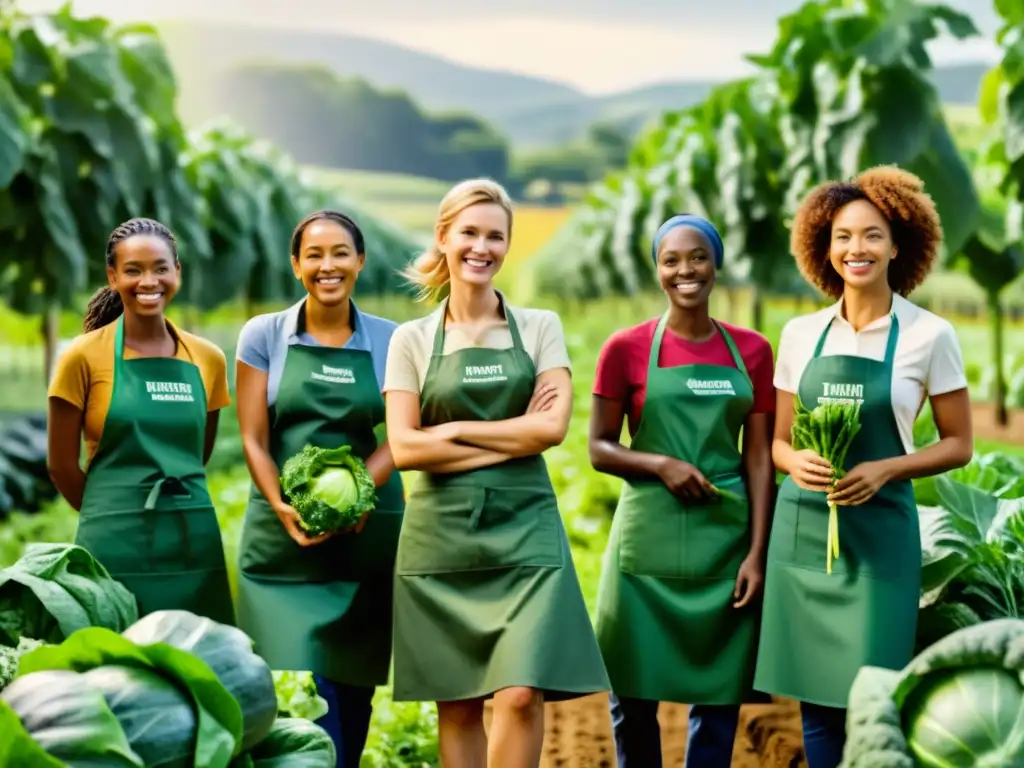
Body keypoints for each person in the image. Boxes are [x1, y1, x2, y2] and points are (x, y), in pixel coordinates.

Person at [383, 178, 610, 767]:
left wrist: (453, 432)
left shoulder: (539, 326)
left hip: (525, 527)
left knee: (520, 694)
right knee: (457, 704)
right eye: (470, 233)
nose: (482, 247)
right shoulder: (410, 340)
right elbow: (405, 449)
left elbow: (551, 429)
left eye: (496, 236)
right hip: (442, 537)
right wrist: (510, 438)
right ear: (443, 237)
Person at [754, 166, 974, 767]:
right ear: (824, 248)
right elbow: (776, 442)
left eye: (872, 235)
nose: (857, 249)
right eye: (843, 236)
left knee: (874, 695)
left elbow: (959, 444)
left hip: (881, 537)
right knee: (817, 707)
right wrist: (793, 461)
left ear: (899, 244)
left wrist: (887, 469)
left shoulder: (931, 335)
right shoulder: (801, 334)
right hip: (804, 532)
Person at [589, 214, 776, 767]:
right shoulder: (625, 348)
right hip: (645, 544)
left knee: (719, 702)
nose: (684, 270)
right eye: (671, 260)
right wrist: (660, 464)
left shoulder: (754, 351)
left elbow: (761, 458)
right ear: (657, 269)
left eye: (697, 257)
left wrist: (757, 555)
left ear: (716, 264)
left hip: (726, 542)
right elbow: (599, 448)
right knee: (632, 696)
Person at [233, 209, 404, 767]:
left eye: (339, 254)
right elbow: (254, 439)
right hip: (280, 543)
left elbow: (402, 435)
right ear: (296, 264)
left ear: (359, 262)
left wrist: (358, 492)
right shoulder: (263, 335)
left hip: (363, 532)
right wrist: (282, 507)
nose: (327, 266)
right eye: (314, 255)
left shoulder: (391, 340)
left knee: (351, 689)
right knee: (294, 688)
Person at [46, 217, 234, 624]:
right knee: (111, 668)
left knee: (199, 665)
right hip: (112, 543)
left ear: (177, 272)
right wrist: (108, 512)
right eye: (133, 270)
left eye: (160, 268)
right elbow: (60, 465)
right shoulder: (82, 357)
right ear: (113, 277)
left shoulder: (207, 358)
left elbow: (196, 454)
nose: (149, 281)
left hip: (191, 540)